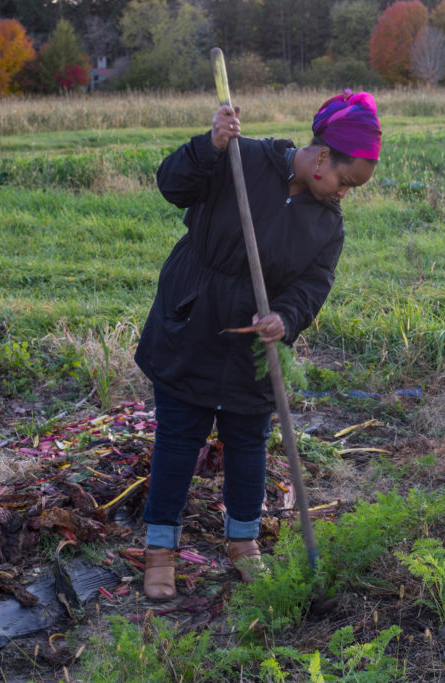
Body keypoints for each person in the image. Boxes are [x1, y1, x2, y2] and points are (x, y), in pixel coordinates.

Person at [134, 90, 381, 600]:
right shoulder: (242, 158)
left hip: (253, 346)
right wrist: (210, 145)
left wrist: (284, 318)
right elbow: (171, 185)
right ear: (320, 157)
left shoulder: (327, 222)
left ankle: (244, 544)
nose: (344, 193)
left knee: (248, 442)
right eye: (345, 180)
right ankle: (160, 551)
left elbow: (315, 283)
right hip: (193, 319)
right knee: (179, 439)